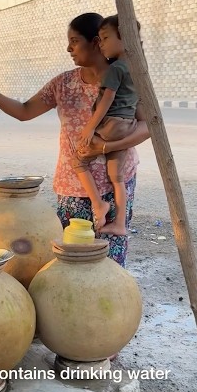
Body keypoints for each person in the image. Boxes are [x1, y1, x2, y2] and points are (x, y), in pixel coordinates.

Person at [0, 13, 150, 267]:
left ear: (96, 42)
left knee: (109, 261)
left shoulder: (128, 79)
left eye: (74, 41)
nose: (69, 48)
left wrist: (105, 147)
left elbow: (148, 126)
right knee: (71, 260)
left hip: (116, 182)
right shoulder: (63, 83)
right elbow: (24, 111)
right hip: (73, 186)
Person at [74, 15, 139, 236]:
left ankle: (98, 203)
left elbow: (107, 100)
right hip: (127, 126)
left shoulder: (116, 68)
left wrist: (91, 127)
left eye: (105, 38)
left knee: (79, 160)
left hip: (111, 126)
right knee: (117, 178)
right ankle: (119, 224)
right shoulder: (136, 67)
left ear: (125, 37)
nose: (101, 44)